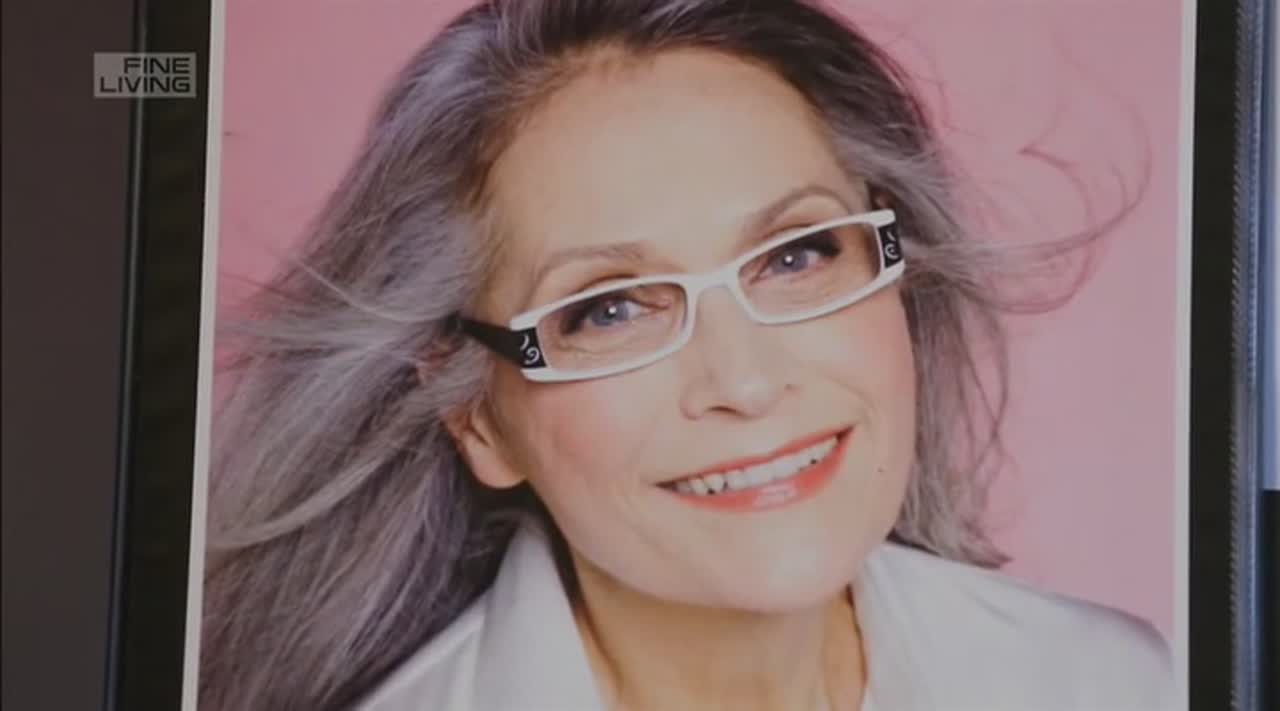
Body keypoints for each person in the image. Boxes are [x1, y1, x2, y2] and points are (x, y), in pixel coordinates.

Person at [199, 1, 1175, 709]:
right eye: (609, 309)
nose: (743, 383)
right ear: (477, 416)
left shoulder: (1118, 684)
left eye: (796, 255)